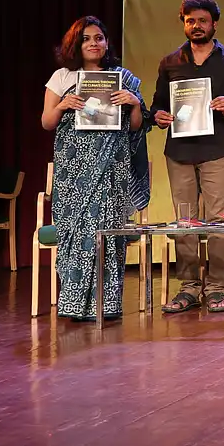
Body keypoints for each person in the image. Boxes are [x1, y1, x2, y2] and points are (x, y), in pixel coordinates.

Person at [150, 0, 224, 314]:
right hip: (179, 150)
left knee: (218, 220)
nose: (196, 26)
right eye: (190, 21)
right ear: (183, 23)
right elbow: (157, 104)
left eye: (202, 21)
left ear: (214, 24)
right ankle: (188, 288)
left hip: (216, 150)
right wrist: (158, 116)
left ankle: (216, 288)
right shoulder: (170, 62)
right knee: (185, 220)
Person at [41, 16, 149, 321]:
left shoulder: (122, 78)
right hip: (72, 170)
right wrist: (63, 105)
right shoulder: (62, 77)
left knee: (106, 229)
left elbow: (137, 128)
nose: (93, 43)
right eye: (87, 38)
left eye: (99, 38)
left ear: (106, 43)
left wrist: (135, 104)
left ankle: (107, 304)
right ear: (76, 43)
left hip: (111, 166)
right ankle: (74, 303)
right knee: (76, 231)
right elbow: (47, 122)